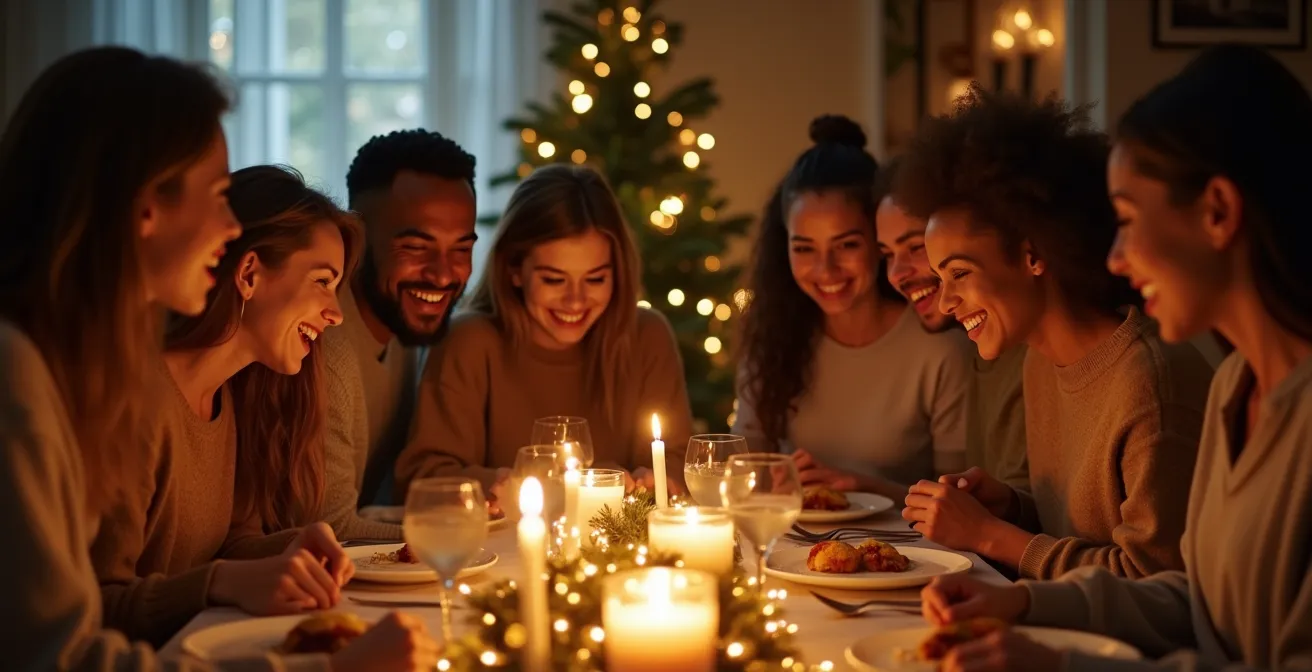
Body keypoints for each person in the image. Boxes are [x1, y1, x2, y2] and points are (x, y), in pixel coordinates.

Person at [0, 46, 435, 671]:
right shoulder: (30, 382)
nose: (232, 229)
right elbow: (65, 650)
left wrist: (279, 553)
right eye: (216, 195)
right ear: (146, 204)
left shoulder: (185, 390)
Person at [917, 45, 1312, 672]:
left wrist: (1060, 662)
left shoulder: (1180, 387)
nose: (1115, 257)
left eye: (1127, 221)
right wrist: (1020, 603)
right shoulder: (1239, 385)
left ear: (1218, 211)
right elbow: (1196, 603)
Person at [895, 85, 1213, 580]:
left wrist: (988, 535)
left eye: (959, 274)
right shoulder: (1041, 360)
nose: (945, 302)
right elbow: (1087, 534)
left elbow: (1158, 582)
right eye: (939, 279)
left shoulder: (1150, 385)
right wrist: (1012, 507)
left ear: (1033, 254)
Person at [90, 165, 369, 646]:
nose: (337, 313)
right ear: (249, 273)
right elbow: (96, 608)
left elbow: (232, 541)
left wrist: (291, 548)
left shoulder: (232, 397)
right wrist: (221, 581)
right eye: (322, 281)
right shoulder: (136, 403)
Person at [394, 164, 693, 498]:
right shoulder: (470, 340)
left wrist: (654, 481)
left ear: (617, 273)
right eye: (553, 279)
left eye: (595, 279)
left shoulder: (647, 336)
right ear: (514, 270)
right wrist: (502, 484)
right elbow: (423, 477)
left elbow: (679, 461)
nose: (576, 300)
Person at [734, 115, 973, 501]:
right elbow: (742, 464)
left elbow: (960, 504)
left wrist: (860, 487)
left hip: (907, 553)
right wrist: (772, 478)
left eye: (847, 245)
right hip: (791, 541)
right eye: (804, 248)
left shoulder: (939, 348)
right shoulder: (772, 336)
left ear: (877, 239)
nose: (825, 270)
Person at [317, 129, 479, 534]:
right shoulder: (320, 346)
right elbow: (330, 531)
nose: (443, 275)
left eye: (462, 249)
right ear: (355, 235)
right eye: (415, 248)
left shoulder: (408, 331)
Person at [873, 158, 1029, 492]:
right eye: (887, 254)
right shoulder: (976, 352)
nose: (896, 275)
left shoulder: (1030, 357)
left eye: (915, 247)